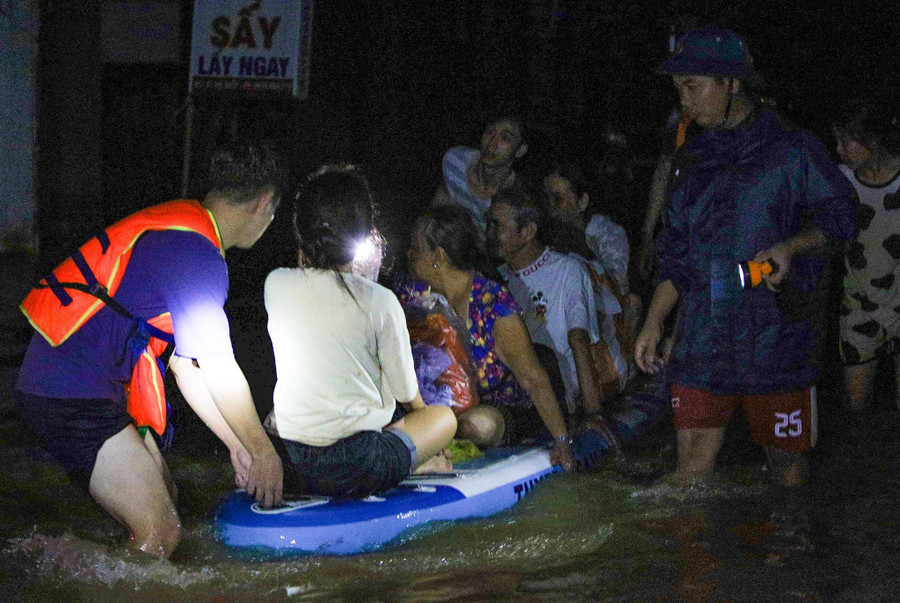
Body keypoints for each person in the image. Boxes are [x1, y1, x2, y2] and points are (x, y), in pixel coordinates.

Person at [14, 142, 286, 558]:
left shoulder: (181, 228)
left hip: (70, 385)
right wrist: (263, 450)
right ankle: (50, 570)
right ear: (264, 203)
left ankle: (54, 553)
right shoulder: (196, 254)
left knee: (168, 495)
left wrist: (236, 441)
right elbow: (217, 366)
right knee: (160, 535)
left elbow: (186, 366)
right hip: (68, 394)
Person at [634, 25, 857, 487]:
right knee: (689, 472)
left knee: (786, 473)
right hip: (701, 339)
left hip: (775, 340)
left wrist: (792, 248)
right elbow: (677, 252)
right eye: (678, 89)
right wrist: (654, 322)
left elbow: (841, 216)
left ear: (733, 83)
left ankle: (787, 557)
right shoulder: (690, 160)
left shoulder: (793, 149)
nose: (684, 102)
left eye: (693, 86)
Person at [264, 165, 456, 498]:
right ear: (364, 233)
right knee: (443, 419)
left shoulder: (275, 284)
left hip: (291, 461)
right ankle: (417, 462)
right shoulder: (380, 301)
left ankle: (409, 456)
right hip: (357, 466)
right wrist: (427, 441)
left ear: (300, 230)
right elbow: (407, 395)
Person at [407, 205, 576, 472]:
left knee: (478, 426)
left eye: (416, 249)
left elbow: (533, 379)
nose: (409, 255)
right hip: (444, 409)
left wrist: (562, 441)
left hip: (502, 407)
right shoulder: (417, 299)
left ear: (438, 256)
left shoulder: (492, 302)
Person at [486, 187, 605, 423]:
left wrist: (594, 417)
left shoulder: (567, 270)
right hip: (518, 390)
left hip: (557, 396)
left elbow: (579, 341)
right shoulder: (496, 279)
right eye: (488, 223)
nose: (488, 233)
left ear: (528, 232)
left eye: (497, 225)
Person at [543, 162, 638, 394]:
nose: (552, 205)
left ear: (582, 201)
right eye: (548, 197)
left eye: (559, 197)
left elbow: (616, 285)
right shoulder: (545, 231)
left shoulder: (606, 232)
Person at [832, 97, 900, 411]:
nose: (839, 150)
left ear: (871, 140)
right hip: (858, 305)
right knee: (856, 404)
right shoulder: (841, 180)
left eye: (846, 141)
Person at [431, 113, 528, 239]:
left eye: (505, 138)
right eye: (490, 132)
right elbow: (435, 214)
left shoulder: (514, 196)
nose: (492, 143)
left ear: (520, 150)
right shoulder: (456, 160)